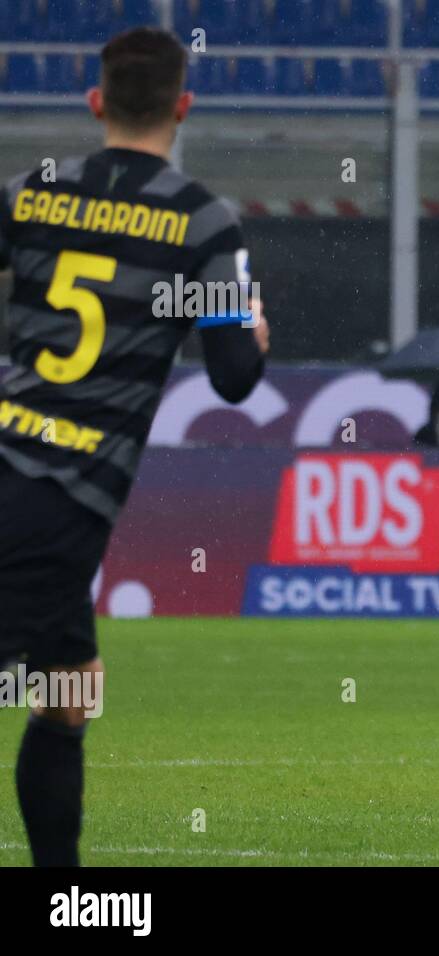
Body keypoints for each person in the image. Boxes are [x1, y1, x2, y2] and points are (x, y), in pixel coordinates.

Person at [0, 27, 269, 866]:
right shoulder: (203, 222)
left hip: (12, 456)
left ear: (95, 103)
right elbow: (231, 378)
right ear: (183, 108)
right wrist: (251, 329)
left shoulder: (27, 194)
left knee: (70, 690)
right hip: (61, 492)